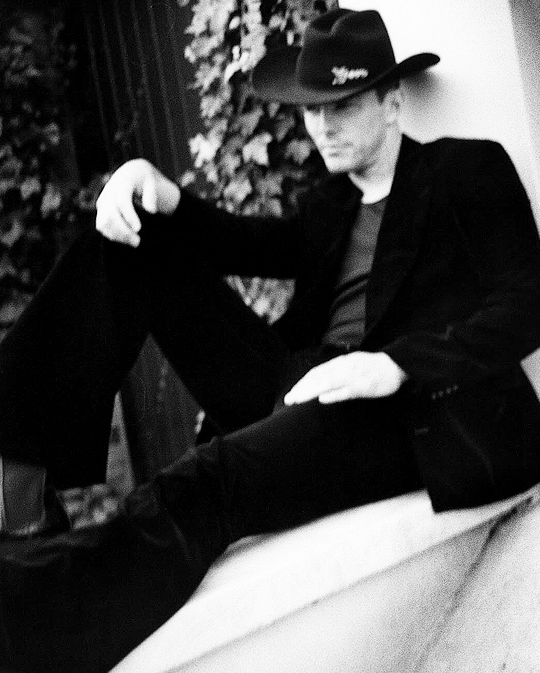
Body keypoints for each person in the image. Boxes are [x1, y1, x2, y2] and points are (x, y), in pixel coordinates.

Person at [1, 8, 540, 672]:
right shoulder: (330, 204)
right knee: (126, 245)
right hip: (301, 381)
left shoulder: (466, 170)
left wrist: (396, 365)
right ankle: (13, 471)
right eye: (312, 109)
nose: (322, 126)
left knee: (207, 481)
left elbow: (526, 303)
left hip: (402, 413)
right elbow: (253, 244)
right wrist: (158, 188)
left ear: (393, 101)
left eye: (342, 105)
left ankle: (27, 618)